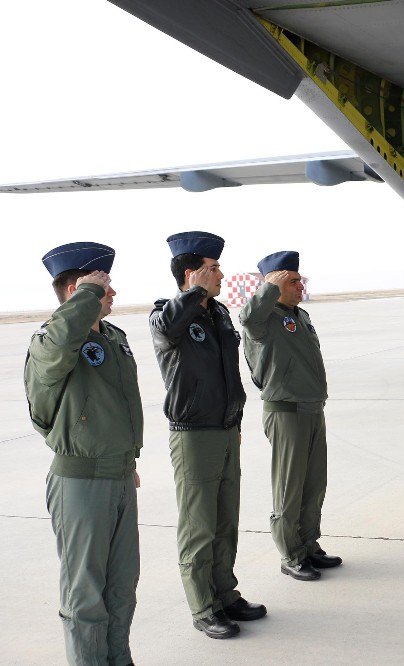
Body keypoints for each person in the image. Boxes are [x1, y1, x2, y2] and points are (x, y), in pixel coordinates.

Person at [25, 242, 142, 665]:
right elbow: (59, 349)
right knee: (85, 594)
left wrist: (127, 460)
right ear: (77, 290)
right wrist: (85, 297)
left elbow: (116, 407)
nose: (112, 293)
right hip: (80, 481)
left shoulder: (112, 337)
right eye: (103, 286)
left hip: (117, 474)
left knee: (121, 586)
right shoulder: (49, 341)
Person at [149, 231, 266, 639]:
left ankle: (225, 593)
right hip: (194, 434)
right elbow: (167, 329)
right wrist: (192, 294)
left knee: (224, 521)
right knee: (198, 526)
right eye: (213, 268)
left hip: (225, 429)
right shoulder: (166, 313)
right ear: (190, 273)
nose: (221, 274)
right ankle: (203, 607)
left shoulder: (217, 314)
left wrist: (235, 421)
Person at [240, 251, 341, 581]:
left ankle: (309, 545)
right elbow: (247, 316)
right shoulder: (263, 319)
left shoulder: (301, 315)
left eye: (300, 280)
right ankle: (290, 555)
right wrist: (269, 287)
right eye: (293, 281)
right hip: (286, 412)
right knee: (289, 488)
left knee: (314, 485)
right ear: (274, 284)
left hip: (312, 409)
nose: (300, 286)